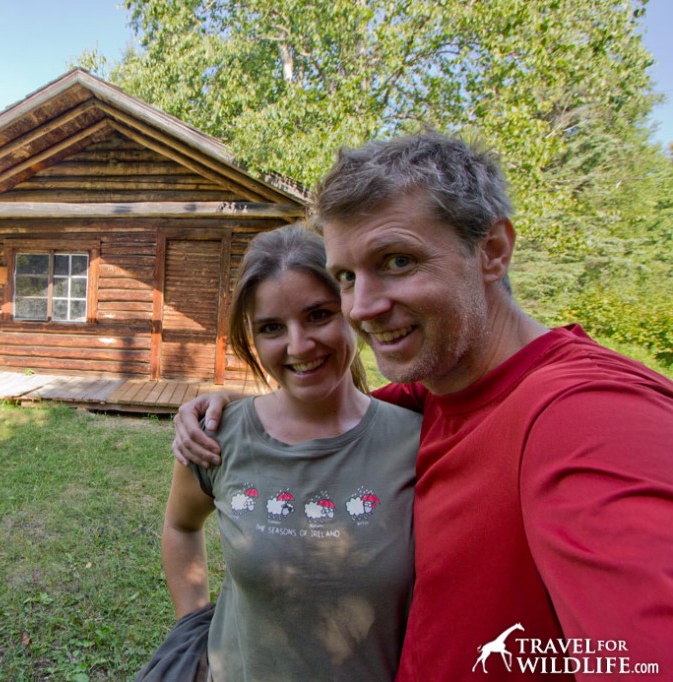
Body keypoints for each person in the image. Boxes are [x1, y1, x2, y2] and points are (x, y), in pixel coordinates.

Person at [173, 133, 673, 679]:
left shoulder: (588, 415)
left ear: (493, 251)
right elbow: (336, 417)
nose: (362, 307)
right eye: (346, 277)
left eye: (398, 260)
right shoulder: (439, 392)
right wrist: (230, 409)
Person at [140, 224, 421, 680]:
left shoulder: (418, 441)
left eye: (318, 315)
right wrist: (192, 624)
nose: (299, 345)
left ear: (351, 308)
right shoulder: (217, 435)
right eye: (272, 327)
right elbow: (180, 525)